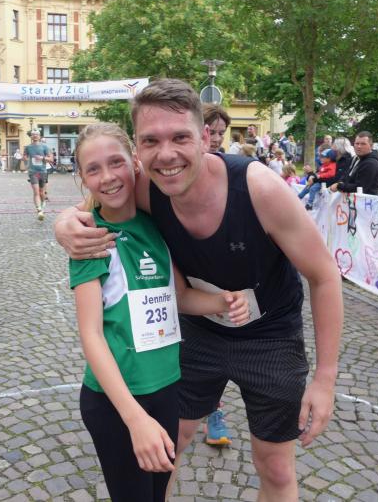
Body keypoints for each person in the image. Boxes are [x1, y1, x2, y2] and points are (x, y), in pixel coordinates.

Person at [55, 78, 343, 501]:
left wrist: (325, 378)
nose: (166, 154)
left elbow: (324, 275)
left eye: (180, 137)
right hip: (196, 330)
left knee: (277, 467)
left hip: (270, 335)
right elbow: (98, 200)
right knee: (172, 443)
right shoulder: (148, 185)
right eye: (151, 141)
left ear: (206, 137)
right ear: (138, 151)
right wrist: (64, 224)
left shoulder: (260, 189)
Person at [70, 122, 250, 502]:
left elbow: (178, 296)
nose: (108, 177)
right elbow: (91, 334)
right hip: (117, 401)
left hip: (167, 388)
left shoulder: (156, 225)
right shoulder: (89, 239)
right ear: (83, 178)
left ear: (134, 162)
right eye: (93, 169)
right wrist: (135, 419)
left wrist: (221, 301)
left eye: (116, 162)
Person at [24, 129, 51, 220]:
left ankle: (42, 205)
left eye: (36, 134)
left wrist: (42, 158)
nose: (35, 136)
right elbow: (25, 156)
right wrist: (24, 158)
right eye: (33, 134)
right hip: (33, 172)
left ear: (39, 136)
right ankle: (39, 210)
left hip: (42, 171)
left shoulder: (45, 146)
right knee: (36, 192)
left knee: (41, 192)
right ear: (31, 136)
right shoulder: (28, 147)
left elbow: (51, 159)